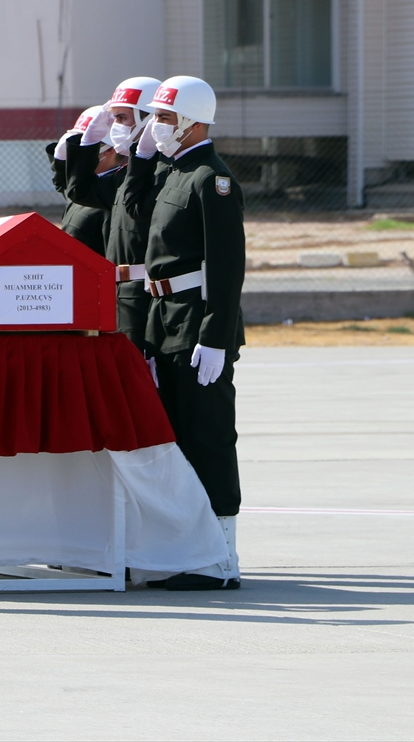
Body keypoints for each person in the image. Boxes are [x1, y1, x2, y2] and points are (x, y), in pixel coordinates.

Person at [123, 75, 246, 590]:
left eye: (166, 118)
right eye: (155, 116)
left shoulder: (211, 180)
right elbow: (130, 210)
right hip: (167, 320)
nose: (157, 125)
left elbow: (226, 266)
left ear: (195, 121)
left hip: (198, 324)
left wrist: (216, 334)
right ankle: (190, 550)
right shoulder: (173, 173)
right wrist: (142, 155)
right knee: (178, 441)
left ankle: (220, 558)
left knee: (208, 437)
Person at [57, 77, 163, 353]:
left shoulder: (168, 173)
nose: (116, 126)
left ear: (148, 118)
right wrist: (87, 142)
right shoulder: (123, 177)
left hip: (151, 301)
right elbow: (78, 192)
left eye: (122, 117)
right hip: (123, 300)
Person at [48, 108, 113, 257]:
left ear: (110, 150)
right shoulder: (82, 187)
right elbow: (64, 183)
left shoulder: (111, 192)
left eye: (85, 144)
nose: (76, 151)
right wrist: (59, 160)